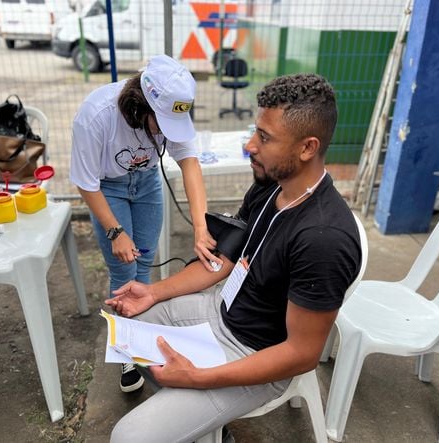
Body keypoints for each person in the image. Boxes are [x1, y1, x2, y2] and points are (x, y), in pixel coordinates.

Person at [106, 73, 362, 442]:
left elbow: (302, 354)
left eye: (265, 137)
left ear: (307, 148)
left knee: (128, 437)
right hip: (223, 310)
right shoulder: (271, 185)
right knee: (129, 324)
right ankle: (201, 420)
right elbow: (223, 261)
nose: (249, 146)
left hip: (255, 354)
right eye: (255, 132)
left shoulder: (324, 239)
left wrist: (198, 377)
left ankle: (197, 408)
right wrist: (155, 292)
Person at [70, 55, 217, 393]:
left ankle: (142, 336)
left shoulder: (172, 108)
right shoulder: (96, 117)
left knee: (144, 263)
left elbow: (190, 164)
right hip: (108, 189)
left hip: (147, 182)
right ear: (139, 107)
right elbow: (85, 182)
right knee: (124, 270)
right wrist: (115, 230)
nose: (167, 133)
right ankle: (126, 351)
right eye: (160, 124)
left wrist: (199, 227)